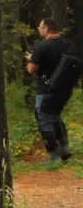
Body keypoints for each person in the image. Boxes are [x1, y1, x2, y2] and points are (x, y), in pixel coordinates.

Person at [26, 17, 75, 162]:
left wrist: (30, 60)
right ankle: (64, 148)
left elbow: (32, 70)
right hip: (66, 90)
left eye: (40, 28)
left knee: (44, 120)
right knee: (55, 116)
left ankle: (54, 155)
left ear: (46, 29)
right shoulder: (68, 44)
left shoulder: (41, 47)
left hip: (47, 90)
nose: (39, 30)